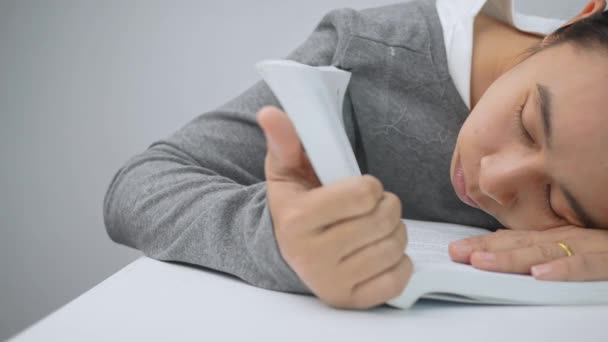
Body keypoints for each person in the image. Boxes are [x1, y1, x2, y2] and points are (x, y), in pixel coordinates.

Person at [103, 0, 608, 309]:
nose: (494, 180)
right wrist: (282, 239)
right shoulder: (365, 56)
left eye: (558, 203)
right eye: (527, 123)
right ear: (570, 24)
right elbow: (142, 185)